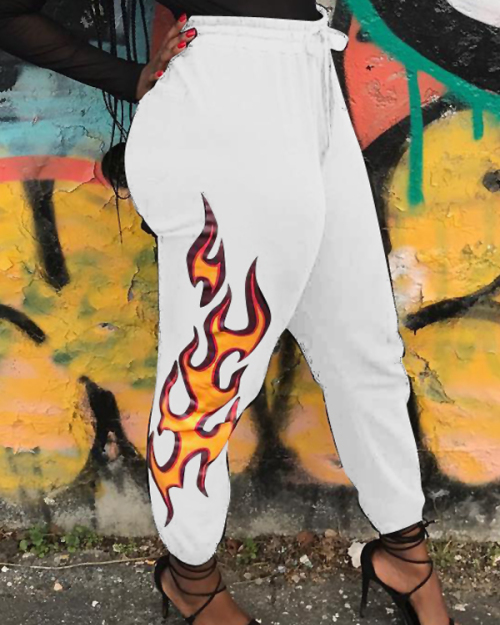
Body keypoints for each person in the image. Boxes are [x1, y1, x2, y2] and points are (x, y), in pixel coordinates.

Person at [0, 2, 457, 624]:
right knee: (210, 378)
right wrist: (128, 78)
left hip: (310, 76)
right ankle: (191, 580)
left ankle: (405, 554)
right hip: (225, 98)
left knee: (366, 350)